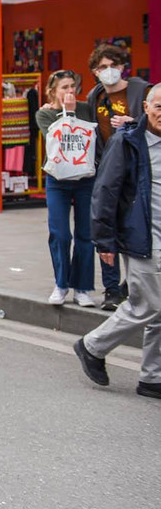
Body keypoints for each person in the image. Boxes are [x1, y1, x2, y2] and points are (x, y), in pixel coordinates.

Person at [74, 83, 161, 400]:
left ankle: (152, 377)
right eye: (159, 106)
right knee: (149, 305)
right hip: (142, 240)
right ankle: (92, 346)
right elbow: (105, 192)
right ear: (146, 107)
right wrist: (104, 241)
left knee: (158, 310)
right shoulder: (128, 141)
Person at [85, 44, 147, 311]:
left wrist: (134, 122)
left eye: (113, 65)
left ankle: (131, 283)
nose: (108, 71)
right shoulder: (95, 96)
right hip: (106, 169)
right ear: (94, 71)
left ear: (122, 66)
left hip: (136, 170)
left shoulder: (141, 91)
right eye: (102, 67)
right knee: (105, 227)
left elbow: (154, 123)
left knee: (134, 227)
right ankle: (112, 289)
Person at [37, 70, 97, 307]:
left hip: (85, 179)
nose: (70, 91)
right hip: (57, 180)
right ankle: (61, 283)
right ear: (53, 91)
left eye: (73, 86)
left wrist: (74, 110)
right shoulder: (44, 113)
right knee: (60, 234)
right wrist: (68, 113)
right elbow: (56, 139)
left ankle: (82, 287)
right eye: (64, 87)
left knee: (86, 235)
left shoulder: (86, 109)